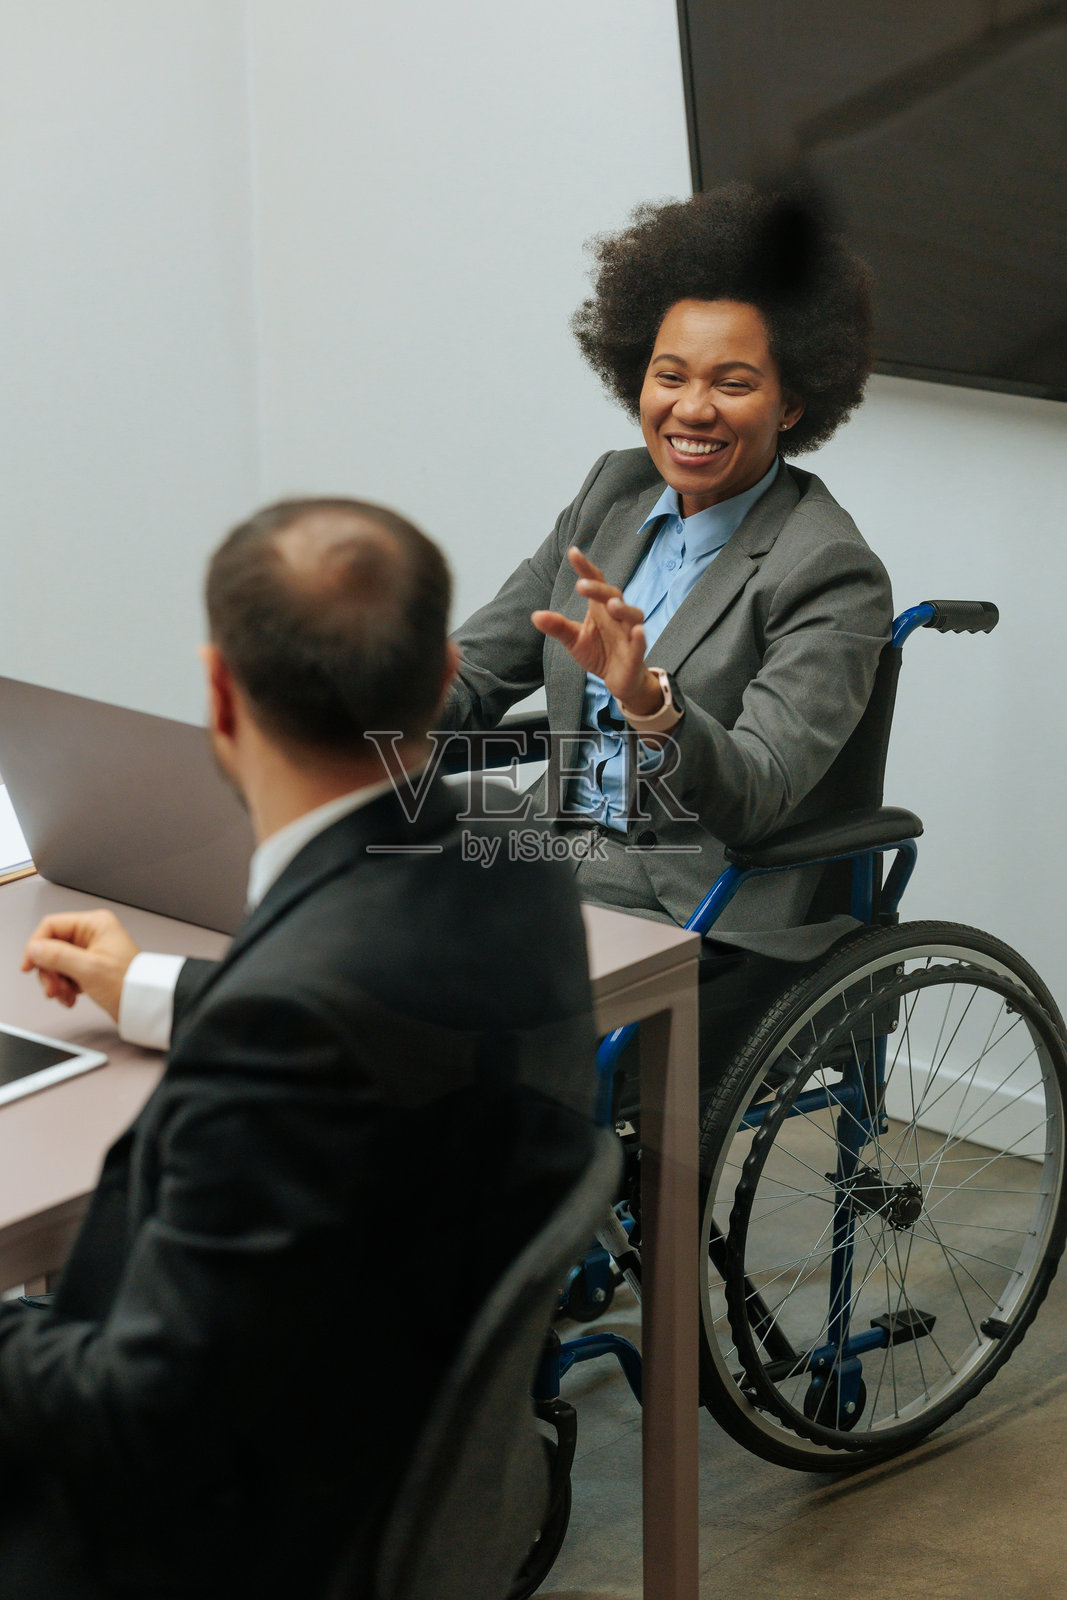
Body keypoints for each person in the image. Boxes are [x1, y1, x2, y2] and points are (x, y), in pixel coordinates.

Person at [11, 498, 597, 1600]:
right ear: (442, 676)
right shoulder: (510, 863)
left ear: (220, 690)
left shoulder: (290, 1025)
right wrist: (146, 986)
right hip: (380, 1462)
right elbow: (369, 1027)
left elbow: (141, 1417)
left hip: (201, 1546)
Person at [444, 185, 894, 984]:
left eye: (732, 383)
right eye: (670, 375)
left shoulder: (829, 570)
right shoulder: (609, 495)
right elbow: (477, 670)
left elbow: (754, 794)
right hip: (552, 860)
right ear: (636, 380)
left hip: (694, 898)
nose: (691, 409)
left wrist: (651, 706)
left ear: (791, 402)